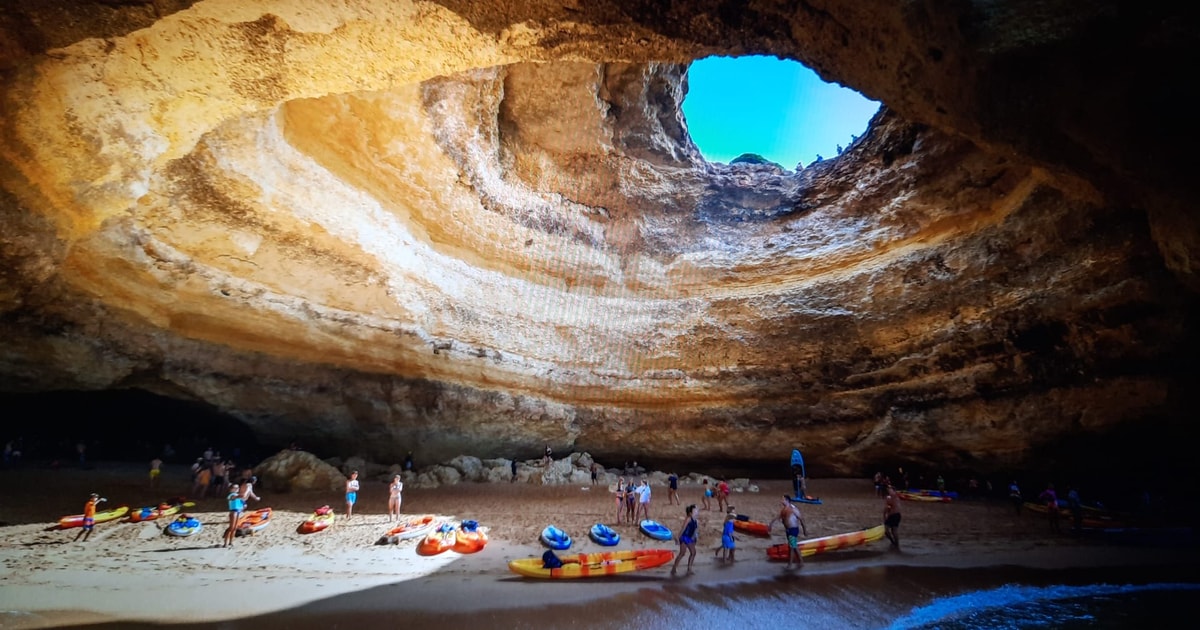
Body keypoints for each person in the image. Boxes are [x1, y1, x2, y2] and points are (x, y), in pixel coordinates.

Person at [768, 495, 808, 569]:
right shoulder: (784, 510)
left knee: (792, 547)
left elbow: (801, 519)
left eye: (783, 499)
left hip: (793, 530)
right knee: (793, 546)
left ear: (787, 500)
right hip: (788, 530)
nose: (781, 501)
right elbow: (778, 517)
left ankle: (790, 564)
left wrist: (805, 530)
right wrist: (771, 524)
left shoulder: (793, 509)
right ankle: (800, 562)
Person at [670, 504, 698, 576]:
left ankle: (674, 568)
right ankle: (689, 569)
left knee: (682, 553)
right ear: (690, 513)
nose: (697, 511)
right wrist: (678, 537)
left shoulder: (695, 520)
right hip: (685, 537)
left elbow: (695, 530)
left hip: (690, 538)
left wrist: (695, 538)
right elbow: (683, 528)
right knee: (693, 552)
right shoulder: (688, 518)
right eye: (695, 510)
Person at [224, 483, 244, 548]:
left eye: (237, 488)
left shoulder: (238, 496)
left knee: (235, 528)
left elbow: (242, 504)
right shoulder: (231, 495)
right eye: (234, 488)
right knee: (231, 527)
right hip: (233, 512)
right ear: (231, 489)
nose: (236, 489)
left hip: (238, 512)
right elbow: (233, 498)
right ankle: (226, 543)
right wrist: (240, 496)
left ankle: (231, 542)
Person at [883, 484, 902, 549]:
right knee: (886, 530)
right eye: (888, 489)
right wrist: (884, 515)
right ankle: (893, 542)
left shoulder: (895, 496)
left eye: (890, 489)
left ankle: (896, 544)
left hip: (896, 515)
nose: (889, 490)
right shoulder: (889, 497)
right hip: (891, 515)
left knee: (894, 530)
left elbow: (890, 505)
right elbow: (887, 507)